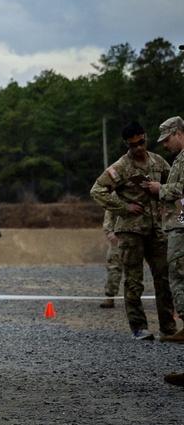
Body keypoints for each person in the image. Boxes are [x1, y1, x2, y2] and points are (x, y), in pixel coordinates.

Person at [90, 120, 176, 341]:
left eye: (141, 142)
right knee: (134, 281)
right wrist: (123, 207)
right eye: (133, 145)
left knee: (163, 279)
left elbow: (173, 185)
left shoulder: (158, 162)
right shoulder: (121, 167)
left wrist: (164, 201)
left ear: (146, 137)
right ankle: (139, 328)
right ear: (126, 144)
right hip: (131, 231)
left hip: (157, 230)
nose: (138, 148)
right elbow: (97, 190)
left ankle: (168, 328)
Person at [144, 116, 184, 341]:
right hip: (177, 222)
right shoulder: (179, 159)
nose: (165, 145)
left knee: (177, 274)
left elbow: (182, 188)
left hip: (181, 225)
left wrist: (160, 189)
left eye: (167, 139)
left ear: (179, 133)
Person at [99, 209, 122, 308]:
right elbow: (108, 217)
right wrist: (110, 234)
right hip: (118, 237)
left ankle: (134, 298)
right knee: (113, 266)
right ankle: (110, 297)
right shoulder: (115, 195)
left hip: (139, 235)